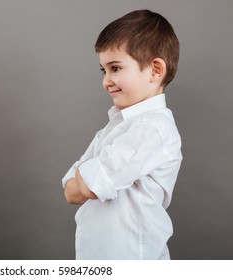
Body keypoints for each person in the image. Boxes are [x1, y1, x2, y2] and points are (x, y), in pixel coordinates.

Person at [61, 9, 182, 259]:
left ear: (155, 70)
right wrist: (86, 179)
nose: (106, 81)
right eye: (103, 70)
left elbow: (88, 187)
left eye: (115, 68)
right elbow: (70, 191)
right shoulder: (116, 126)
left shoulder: (151, 129)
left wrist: (86, 178)